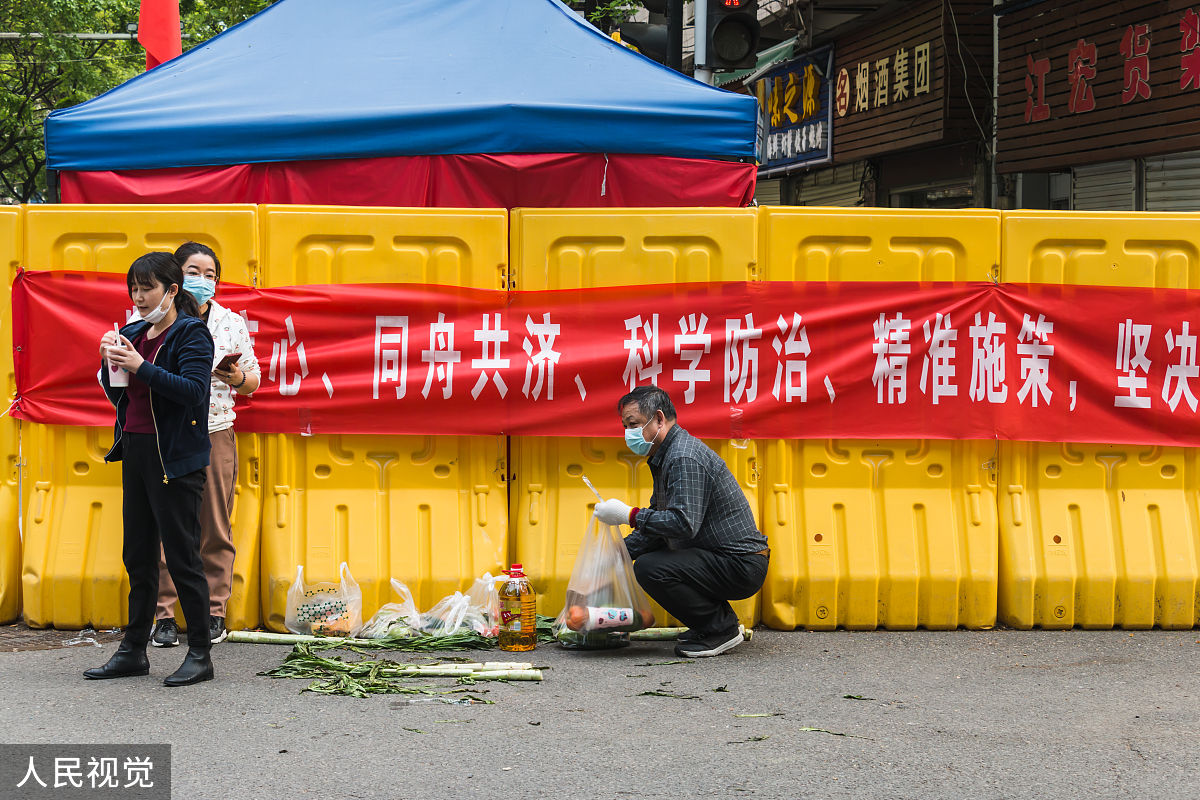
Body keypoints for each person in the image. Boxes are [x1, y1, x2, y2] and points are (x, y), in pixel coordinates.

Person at [85, 252, 216, 686]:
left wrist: (143, 367)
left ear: (172, 290)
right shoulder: (132, 332)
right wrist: (110, 366)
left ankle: (199, 652)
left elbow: (194, 392)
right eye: (134, 289)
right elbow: (123, 394)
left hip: (175, 457)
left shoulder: (191, 333)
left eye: (148, 288)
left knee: (182, 557)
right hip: (138, 451)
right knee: (137, 557)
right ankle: (132, 650)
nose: (139, 298)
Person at [594, 386, 769, 658]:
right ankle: (712, 623)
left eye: (634, 424)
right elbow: (657, 527)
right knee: (652, 556)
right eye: (625, 426)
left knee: (652, 568)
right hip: (720, 557)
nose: (628, 434)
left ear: (659, 419)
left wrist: (629, 515)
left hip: (740, 563)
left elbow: (682, 524)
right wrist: (616, 554)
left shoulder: (683, 456)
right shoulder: (667, 454)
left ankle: (720, 629)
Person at [150, 242, 260, 648]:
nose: (203, 280)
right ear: (175, 276)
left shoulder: (231, 322)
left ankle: (214, 612)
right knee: (169, 525)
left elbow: (252, 380)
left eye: (211, 274)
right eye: (194, 271)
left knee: (214, 524)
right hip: (168, 433)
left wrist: (232, 377)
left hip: (215, 430)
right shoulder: (154, 318)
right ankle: (164, 615)